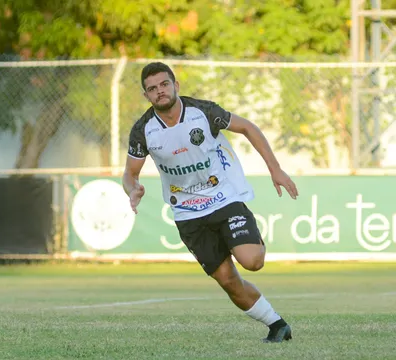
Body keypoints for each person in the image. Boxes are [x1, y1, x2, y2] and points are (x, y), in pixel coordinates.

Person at [123, 62, 298, 343]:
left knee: (252, 261)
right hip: (186, 214)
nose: (160, 91)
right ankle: (277, 325)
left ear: (176, 86)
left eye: (164, 84)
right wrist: (133, 190)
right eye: (152, 89)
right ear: (147, 96)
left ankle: (240, 239)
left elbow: (248, 128)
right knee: (229, 281)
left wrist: (275, 169)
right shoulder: (143, 130)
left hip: (223, 199)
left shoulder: (203, 112)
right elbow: (130, 174)